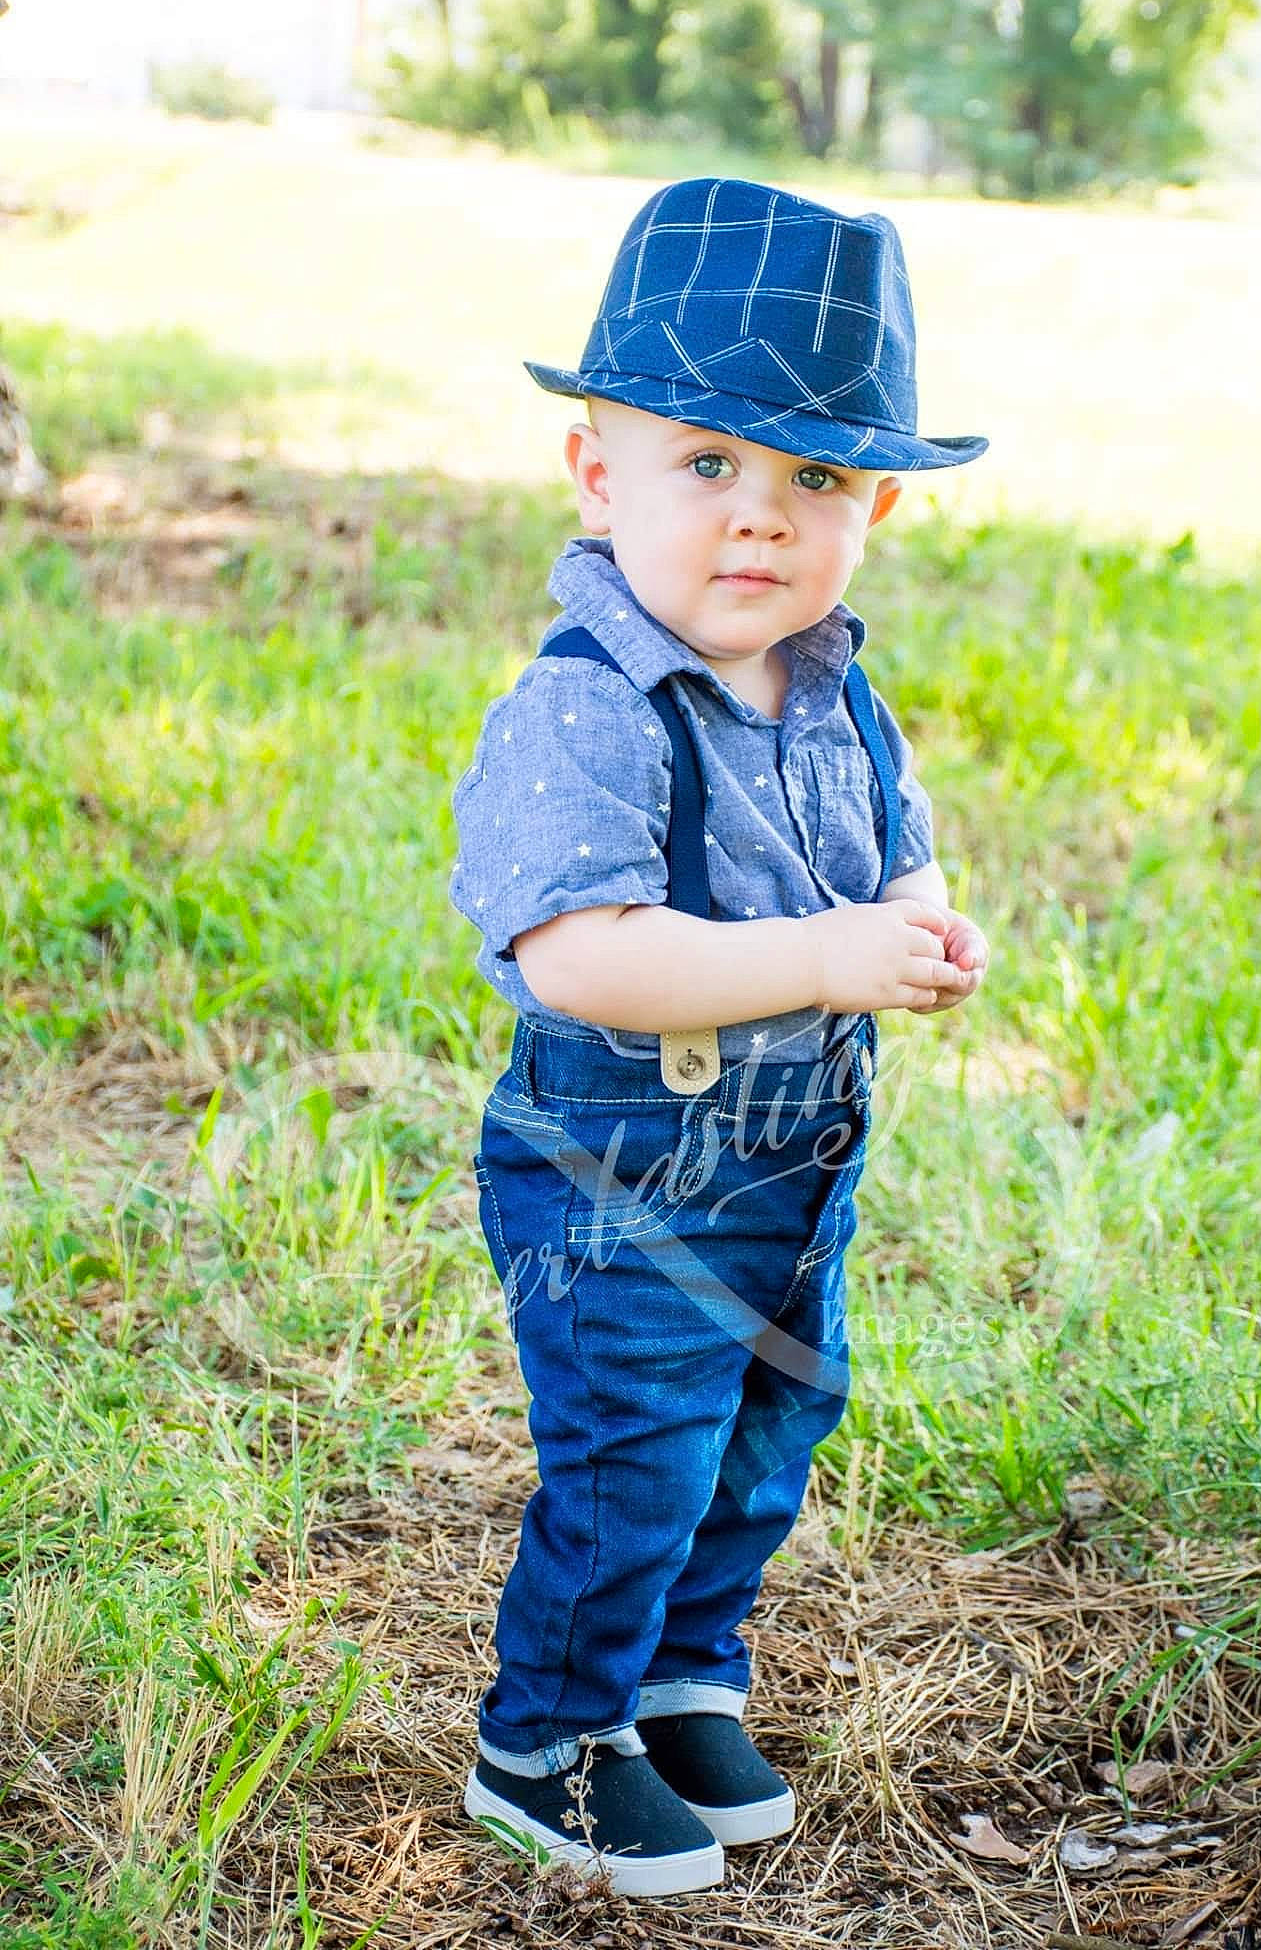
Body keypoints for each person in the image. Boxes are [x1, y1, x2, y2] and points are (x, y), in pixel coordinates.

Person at [448, 175, 990, 1898]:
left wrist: (915, 919)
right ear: (595, 475)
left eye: (810, 478)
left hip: (791, 1170)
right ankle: (545, 1737)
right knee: (636, 1450)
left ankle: (681, 1679)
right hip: (621, 1174)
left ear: (875, 508)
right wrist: (821, 953)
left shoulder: (837, 689)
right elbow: (585, 958)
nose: (757, 521)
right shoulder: (584, 704)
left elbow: (886, 854)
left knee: (762, 1431)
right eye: (706, 466)